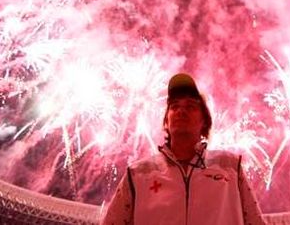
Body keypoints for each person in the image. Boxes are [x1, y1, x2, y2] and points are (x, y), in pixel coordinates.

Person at [101, 73, 267, 225]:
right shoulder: (138, 174)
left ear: (205, 122)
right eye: (174, 106)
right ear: (166, 121)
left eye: (190, 107)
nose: (181, 111)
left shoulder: (230, 167)